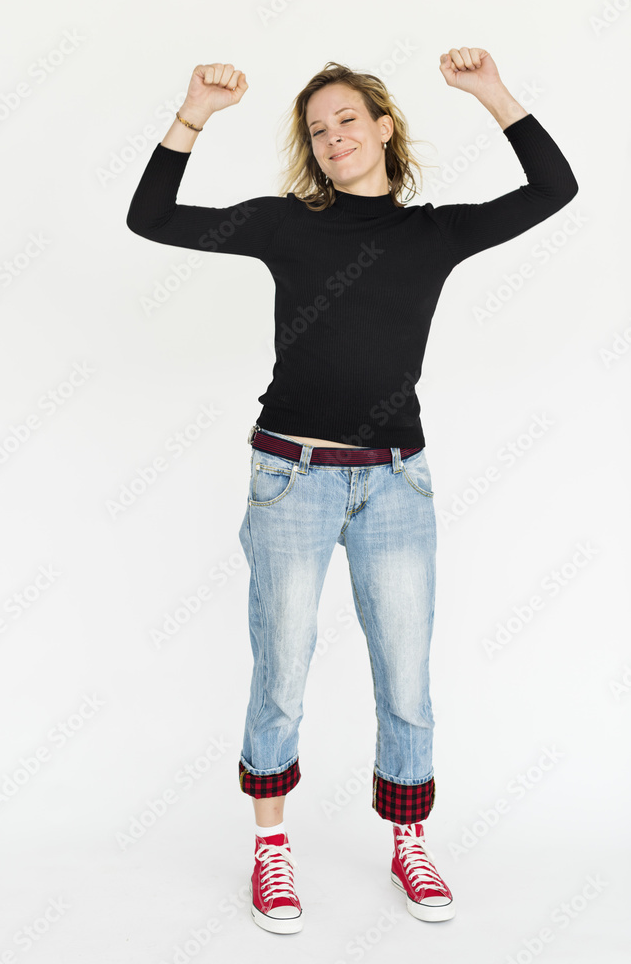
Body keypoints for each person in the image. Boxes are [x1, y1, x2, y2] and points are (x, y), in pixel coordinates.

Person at [126, 51, 578, 933]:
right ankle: (271, 849)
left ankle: (409, 840)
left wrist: (492, 94)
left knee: (406, 676)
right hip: (290, 477)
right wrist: (193, 115)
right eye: (317, 129)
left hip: (397, 487)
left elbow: (553, 189)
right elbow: (150, 217)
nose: (333, 138)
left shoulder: (436, 233)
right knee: (282, 672)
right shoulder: (282, 224)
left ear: (382, 129)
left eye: (347, 121)